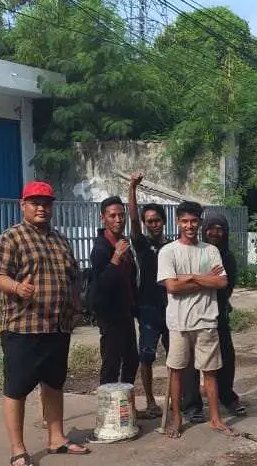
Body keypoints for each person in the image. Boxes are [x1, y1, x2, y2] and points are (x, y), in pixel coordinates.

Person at [0, 180, 90, 466]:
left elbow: (73, 277)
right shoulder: (11, 238)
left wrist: (76, 307)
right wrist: (18, 288)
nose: (41, 207)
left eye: (46, 203)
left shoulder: (60, 240)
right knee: (17, 388)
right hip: (23, 327)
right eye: (35, 202)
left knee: (54, 384)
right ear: (23, 205)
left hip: (57, 326)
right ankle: (17, 449)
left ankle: (56, 438)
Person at [156, 200, 236, 439]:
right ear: (178, 222)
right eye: (185, 221)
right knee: (177, 371)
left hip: (207, 321)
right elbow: (171, 287)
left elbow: (221, 282)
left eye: (193, 221)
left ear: (199, 222)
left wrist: (188, 277)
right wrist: (202, 279)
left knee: (210, 372)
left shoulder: (210, 251)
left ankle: (215, 418)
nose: (189, 225)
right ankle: (178, 418)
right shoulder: (168, 251)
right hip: (179, 323)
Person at [181, 214, 246, 422]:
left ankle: (227, 397)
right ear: (204, 229)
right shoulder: (195, 252)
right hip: (192, 312)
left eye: (220, 228)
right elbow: (185, 281)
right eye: (211, 228)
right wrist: (209, 279)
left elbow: (225, 286)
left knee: (226, 357)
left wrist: (205, 281)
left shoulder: (228, 258)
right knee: (190, 362)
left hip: (218, 314)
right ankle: (192, 405)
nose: (215, 232)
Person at [128, 172, 171, 418]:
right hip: (147, 309)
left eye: (156, 220)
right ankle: (151, 402)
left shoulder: (173, 247)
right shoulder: (143, 245)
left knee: (176, 357)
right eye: (149, 221)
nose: (153, 224)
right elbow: (132, 220)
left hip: (172, 308)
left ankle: (176, 399)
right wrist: (132, 188)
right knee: (146, 357)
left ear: (163, 222)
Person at [90, 195, 140, 386]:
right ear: (104, 218)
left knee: (131, 361)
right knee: (111, 363)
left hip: (125, 311)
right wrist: (116, 256)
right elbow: (103, 284)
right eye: (112, 216)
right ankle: (107, 410)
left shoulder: (123, 242)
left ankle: (125, 405)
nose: (118, 220)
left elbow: (130, 277)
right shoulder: (101, 248)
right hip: (109, 314)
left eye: (121, 215)